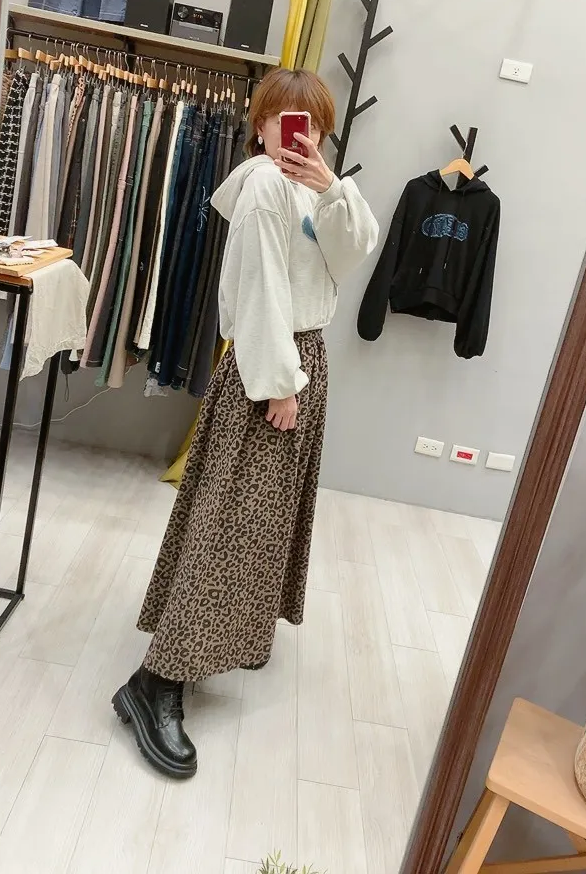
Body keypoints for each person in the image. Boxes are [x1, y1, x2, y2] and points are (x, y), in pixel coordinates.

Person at [112, 68, 379, 778]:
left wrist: (331, 184)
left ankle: (226, 634)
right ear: (260, 126)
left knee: (258, 522)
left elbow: (354, 252)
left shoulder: (309, 188)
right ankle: (155, 682)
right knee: (232, 523)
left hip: (301, 361)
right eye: (284, 119)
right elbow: (261, 292)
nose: (298, 133)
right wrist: (279, 386)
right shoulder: (263, 186)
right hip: (276, 368)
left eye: (311, 122)